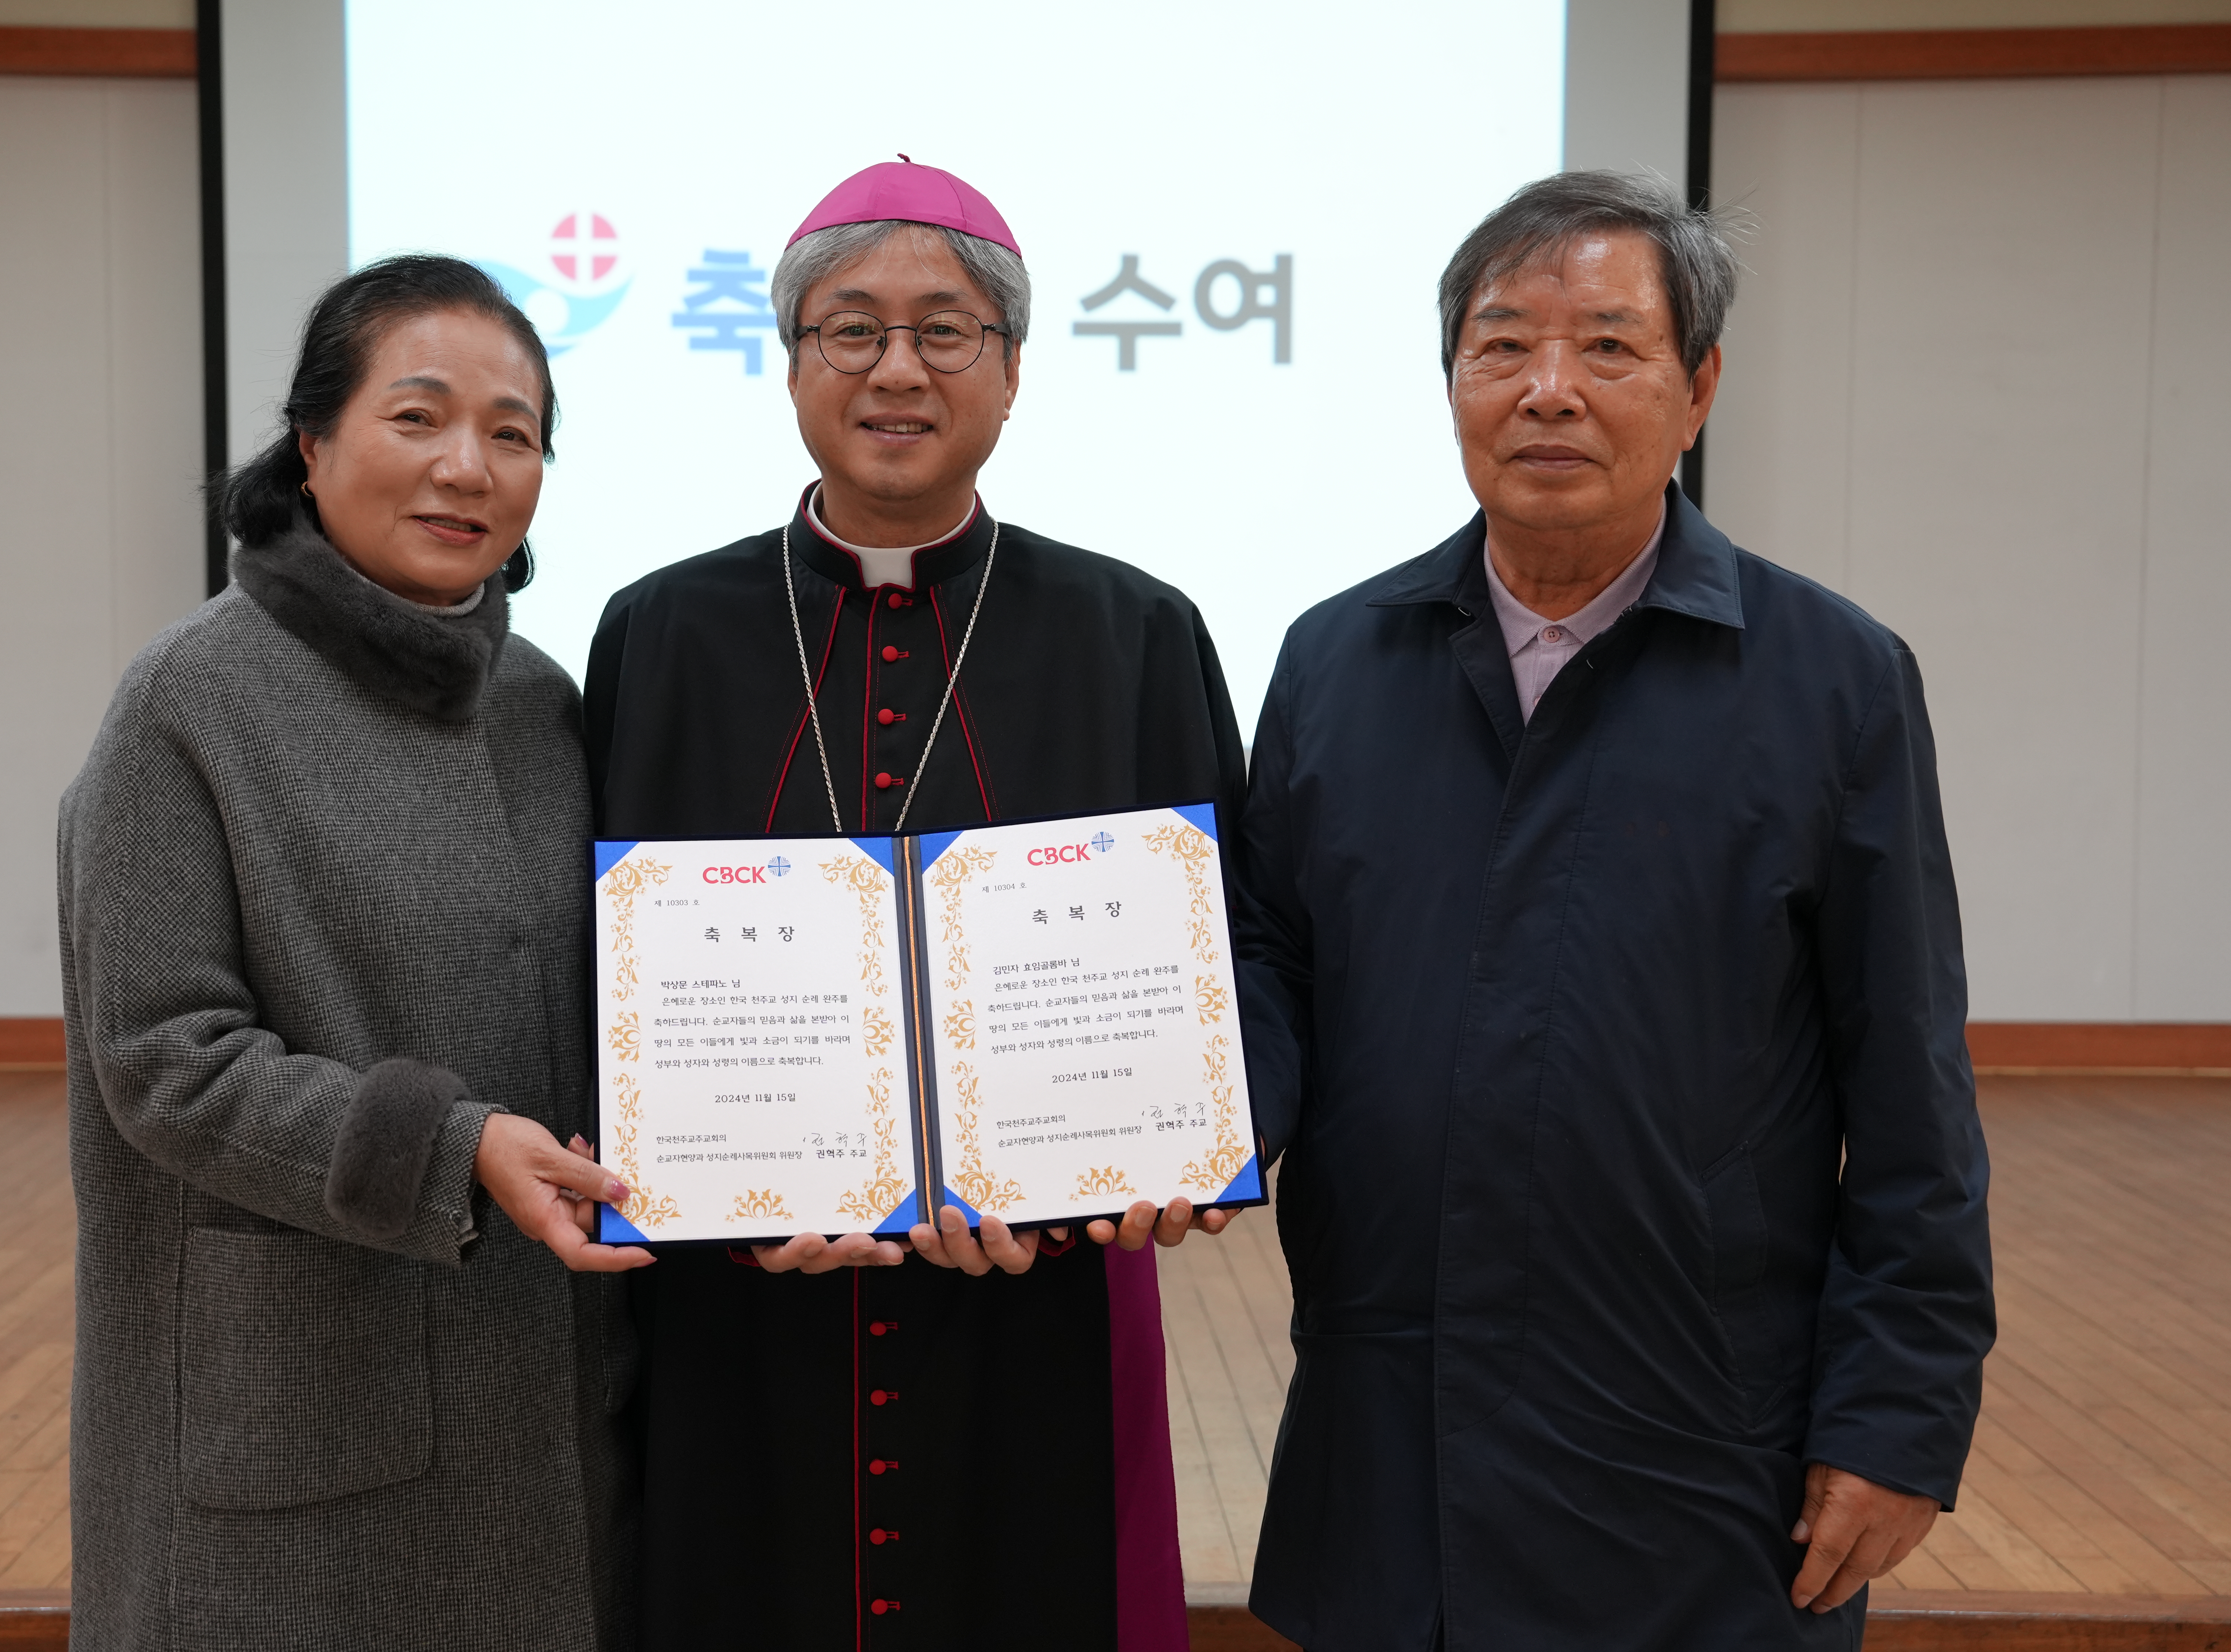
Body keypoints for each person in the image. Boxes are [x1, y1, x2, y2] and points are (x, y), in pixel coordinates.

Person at [1232, 171, 1995, 1649]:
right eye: (1503, 345)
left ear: (1698, 388)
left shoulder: (1833, 680)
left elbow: (1911, 1079)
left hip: (1696, 1441)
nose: (1549, 390)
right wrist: (1182, 1128)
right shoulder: (1337, 660)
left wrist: (1900, 1415)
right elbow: (1268, 961)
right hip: (1392, 1433)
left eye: (1608, 347)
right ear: (1451, 383)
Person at [584, 159, 1246, 1651]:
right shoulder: (661, 632)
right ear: (791, 362)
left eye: (945, 331)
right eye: (850, 329)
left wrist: (1186, 1153)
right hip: (740, 1296)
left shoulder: (1137, 634)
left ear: (1011, 369)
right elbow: (597, 957)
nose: (896, 368)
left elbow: (1235, 944)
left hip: (1044, 1290)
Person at [58, 255, 648, 1651]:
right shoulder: (188, 701)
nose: (468, 467)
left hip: (539, 1379)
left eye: (514, 434)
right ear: (313, 445)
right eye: (418, 417)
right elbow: (164, 1063)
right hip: (303, 1392)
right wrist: (451, 1146)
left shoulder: (541, 703)